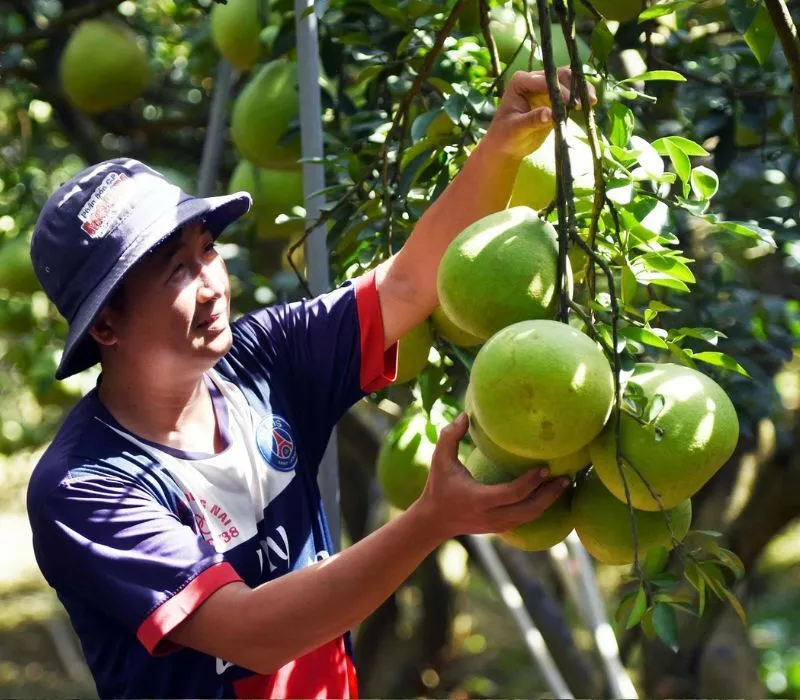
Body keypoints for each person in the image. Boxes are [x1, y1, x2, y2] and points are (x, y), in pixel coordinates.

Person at [26, 68, 590, 699]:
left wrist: (503, 146)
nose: (212, 283)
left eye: (207, 250)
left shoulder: (262, 358)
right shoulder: (86, 487)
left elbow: (407, 284)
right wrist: (432, 519)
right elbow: (252, 633)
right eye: (176, 272)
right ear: (106, 323)